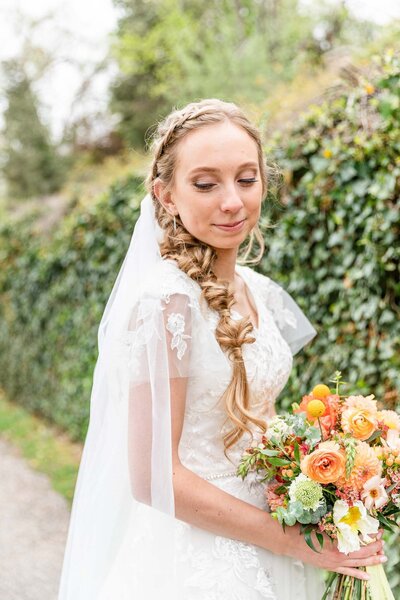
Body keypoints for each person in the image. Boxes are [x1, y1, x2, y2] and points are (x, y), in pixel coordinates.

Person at [58, 98, 386, 600]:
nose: (232, 201)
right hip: (196, 559)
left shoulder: (262, 291)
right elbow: (151, 477)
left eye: (247, 179)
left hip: (274, 534)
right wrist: (297, 543)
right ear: (165, 195)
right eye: (206, 184)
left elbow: (264, 424)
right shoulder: (165, 303)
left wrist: (335, 490)